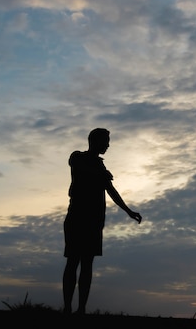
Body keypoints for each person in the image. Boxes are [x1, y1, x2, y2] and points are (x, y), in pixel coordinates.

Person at [62, 128, 142, 315]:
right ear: (95, 141)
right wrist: (101, 175)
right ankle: (67, 308)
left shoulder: (100, 167)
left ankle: (81, 309)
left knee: (87, 264)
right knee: (73, 261)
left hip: (94, 221)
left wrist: (128, 211)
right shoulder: (78, 157)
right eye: (105, 141)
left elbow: (111, 191)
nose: (108, 145)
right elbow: (79, 167)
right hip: (77, 218)